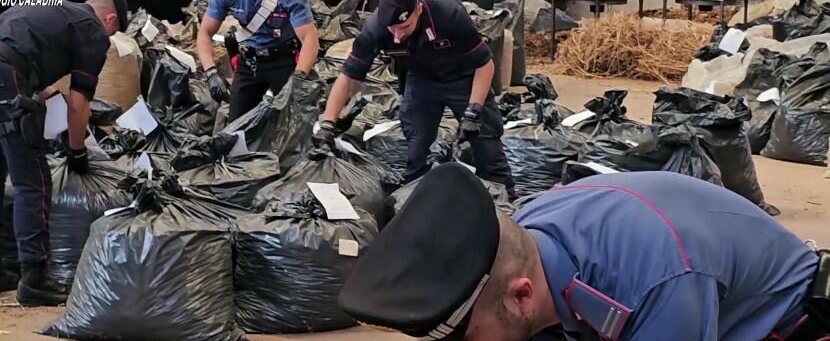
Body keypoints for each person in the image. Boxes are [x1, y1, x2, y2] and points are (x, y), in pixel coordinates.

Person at [339, 164, 830, 341]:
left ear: (522, 296)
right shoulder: (528, 236)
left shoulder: (655, 285)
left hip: (785, 323)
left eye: (468, 338)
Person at [0, 0, 128, 306]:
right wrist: (77, 152)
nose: (109, 40)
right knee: (32, 179)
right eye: (113, 32)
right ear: (110, 18)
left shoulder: (53, 10)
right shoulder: (92, 29)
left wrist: (42, 96)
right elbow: (79, 103)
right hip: (1, 76)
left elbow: (24, 56)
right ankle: (34, 279)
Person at [313, 0, 515, 196]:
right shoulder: (376, 28)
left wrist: (473, 111)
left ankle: (503, 200)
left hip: (463, 77)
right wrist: (327, 123)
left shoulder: (448, 14)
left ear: (418, 9)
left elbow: (485, 65)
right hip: (422, 80)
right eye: (393, 29)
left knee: (485, 143)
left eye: (404, 27)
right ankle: (415, 200)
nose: (397, 36)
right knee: (416, 145)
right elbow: (348, 76)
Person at [196, 0, 320, 122]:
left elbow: (310, 39)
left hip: (283, 61)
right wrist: (211, 73)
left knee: (296, 122)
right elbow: (205, 32)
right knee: (236, 126)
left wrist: (299, 78)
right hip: (250, 63)